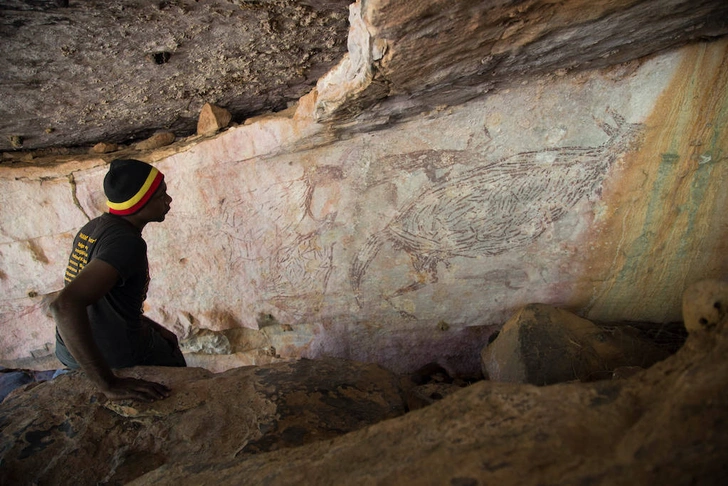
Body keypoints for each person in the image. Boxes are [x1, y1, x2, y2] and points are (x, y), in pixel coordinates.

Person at [51, 158, 186, 402]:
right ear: (140, 203)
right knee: (172, 363)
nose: (169, 200)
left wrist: (154, 327)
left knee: (166, 339)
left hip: (67, 351)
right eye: (161, 195)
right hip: (112, 355)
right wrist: (108, 383)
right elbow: (64, 305)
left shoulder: (93, 228)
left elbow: (107, 302)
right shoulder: (127, 243)